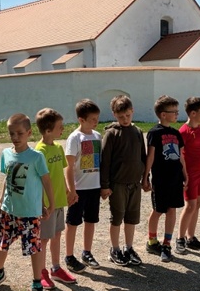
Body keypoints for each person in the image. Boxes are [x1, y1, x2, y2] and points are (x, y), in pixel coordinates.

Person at [0, 113, 54, 291]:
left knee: (34, 248)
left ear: (29, 133)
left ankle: (37, 284)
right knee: (2, 243)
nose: (15, 137)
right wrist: (0, 201)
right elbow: (7, 179)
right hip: (9, 211)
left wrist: (51, 204)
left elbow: (46, 181)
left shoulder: (36, 157)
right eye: (11, 133)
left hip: (30, 213)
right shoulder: (6, 154)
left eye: (20, 133)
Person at [100, 95, 146, 266]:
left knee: (131, 218)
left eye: (128, 115)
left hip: (135, 183)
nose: (125, 119)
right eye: (121, 117)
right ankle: (115, 249)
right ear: (114, 115)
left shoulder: (138, 132)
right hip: (117, 184)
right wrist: (105, 186)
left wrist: (145, 178)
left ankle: (129, 248)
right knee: (117, 218)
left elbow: (143, 157)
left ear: (132, 111)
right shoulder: (111, 134)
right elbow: (105, 162)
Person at [34, 108, 77, 288]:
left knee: (57, 235)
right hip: (46, 205)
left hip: (59, 201)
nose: (63, 129)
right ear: (48, 130)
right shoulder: (39, 152)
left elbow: (60, 172)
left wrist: (68, 191)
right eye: (60, 127)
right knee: (44, 239)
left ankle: (56, 268)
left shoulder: (59, 147)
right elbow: (37, 180)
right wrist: (42, 204)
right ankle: (41, 272)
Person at [143, 95, 187, 263]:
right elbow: (150, 156)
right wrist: (145, 177)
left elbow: (181, 156)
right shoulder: (154, 132)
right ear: (163, 114)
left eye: (177, 111)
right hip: (161, 179)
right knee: (158, 210)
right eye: (173, 111)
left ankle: (167, 244)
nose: (177, 114)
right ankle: (152, 241)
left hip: (175, 178)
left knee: (172, 210)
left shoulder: (176, 133)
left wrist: (185, 174)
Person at [64, 99, 102, 273]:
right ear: (81, 119)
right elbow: (69, 167)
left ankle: (87, 252)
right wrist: (71, 190)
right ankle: (69, 256)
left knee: (91, 221)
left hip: (94, 187)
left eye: (97, 118)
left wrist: (103, 186)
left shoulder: (97, 136)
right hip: (79, 189)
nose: (96, 122)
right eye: (93, 119)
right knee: (73, 222)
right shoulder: (74, 138)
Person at [177, 97, 200, 253]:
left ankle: (191, 237)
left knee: (197, 204)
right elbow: (180, 156)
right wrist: (184, 175)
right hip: (190, 175)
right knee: (190, 205)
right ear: (193, 113)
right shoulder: (183, 132)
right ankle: (180, 238)